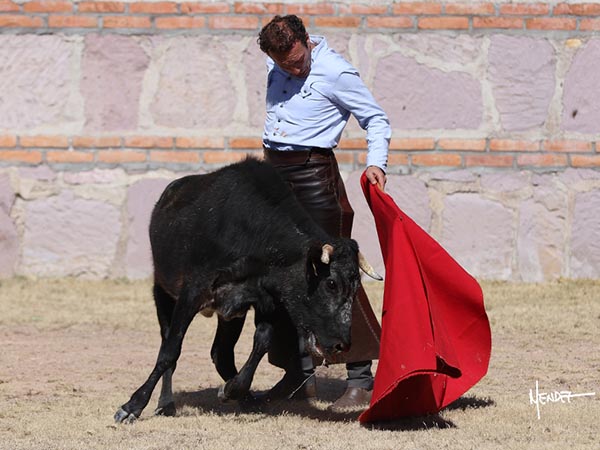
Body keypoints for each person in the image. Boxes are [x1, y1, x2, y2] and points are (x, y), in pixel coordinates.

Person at [257, 14, 391, 411]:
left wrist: (376, 163)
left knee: (335, 274)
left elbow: (376, 119)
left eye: (298, 60)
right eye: (285, 65)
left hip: (315, 176)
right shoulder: (274, 59)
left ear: (307, 41)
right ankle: (297, 376)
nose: (293, 69)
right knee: (280, 273)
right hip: (274, 177)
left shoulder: (336, 71)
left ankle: (360, 380)